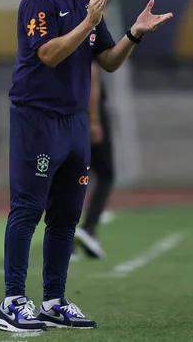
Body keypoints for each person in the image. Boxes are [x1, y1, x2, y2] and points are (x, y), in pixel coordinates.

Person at [0, 0, 173, 333]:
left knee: (65, 217)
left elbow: (108, 61)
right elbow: (50, 55)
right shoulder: (38, 1)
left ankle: (54, 301)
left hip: (73, 122)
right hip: (37, 119)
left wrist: (133, 34)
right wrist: (88, 24)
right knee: (27, 208)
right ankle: (11, 302)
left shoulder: (83, 4)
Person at [73, 61, 115, 259]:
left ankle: (64, 240)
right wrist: (95, 120)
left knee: (70, 178)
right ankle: (88, 228)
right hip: (87, 117)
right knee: (106, 175)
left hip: (67, 117)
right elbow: (92, 74)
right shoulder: (87, 35)